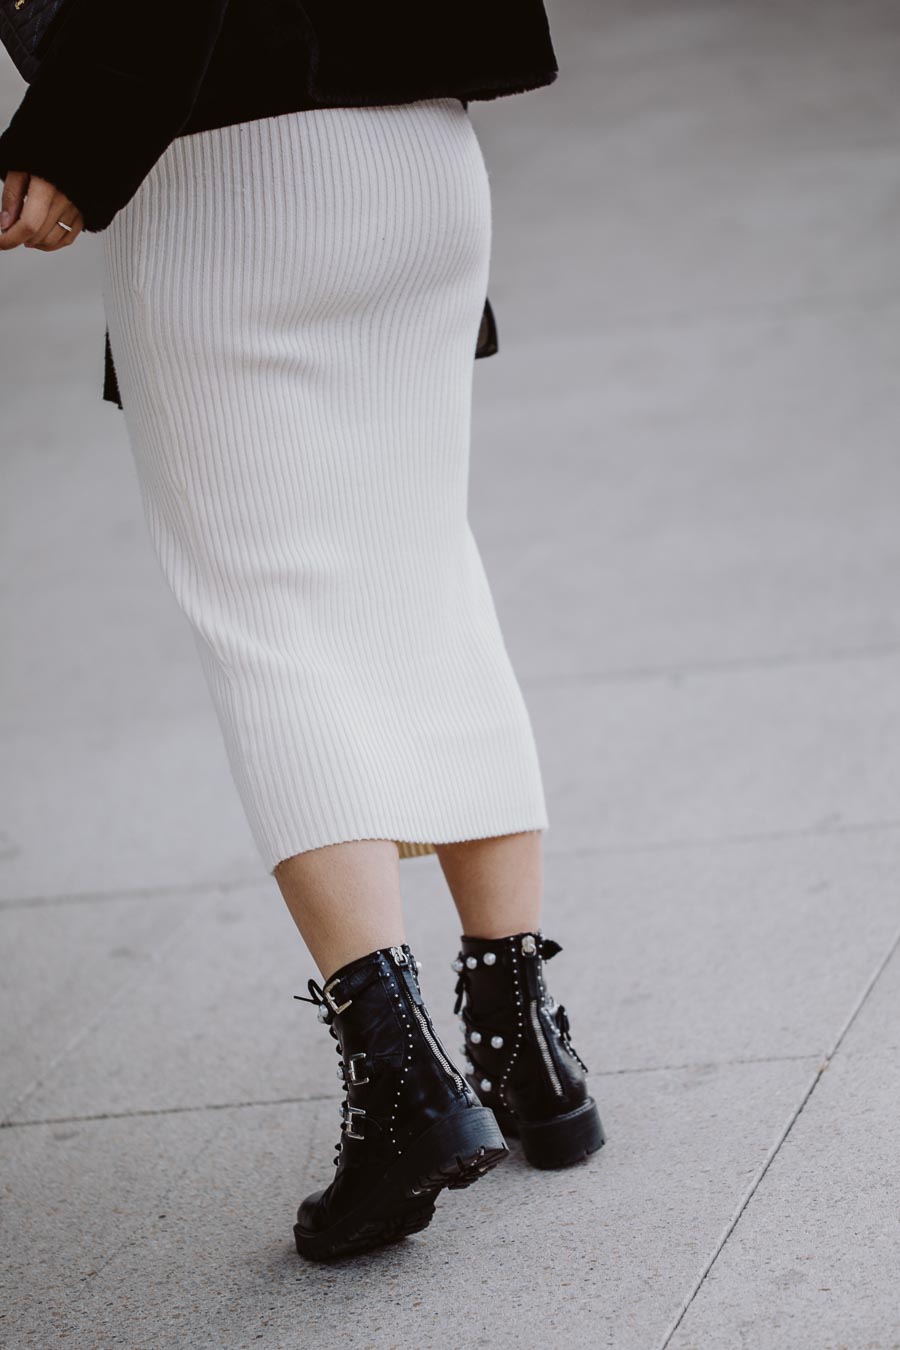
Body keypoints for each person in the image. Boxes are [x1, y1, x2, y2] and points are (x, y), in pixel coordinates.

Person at [0, 0, 604, 1260]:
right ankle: (520, 1039)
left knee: (266, 613)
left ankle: (400, 1092)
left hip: (221, 158)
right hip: (419, 157)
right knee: (426, 572)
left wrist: (72, 134)